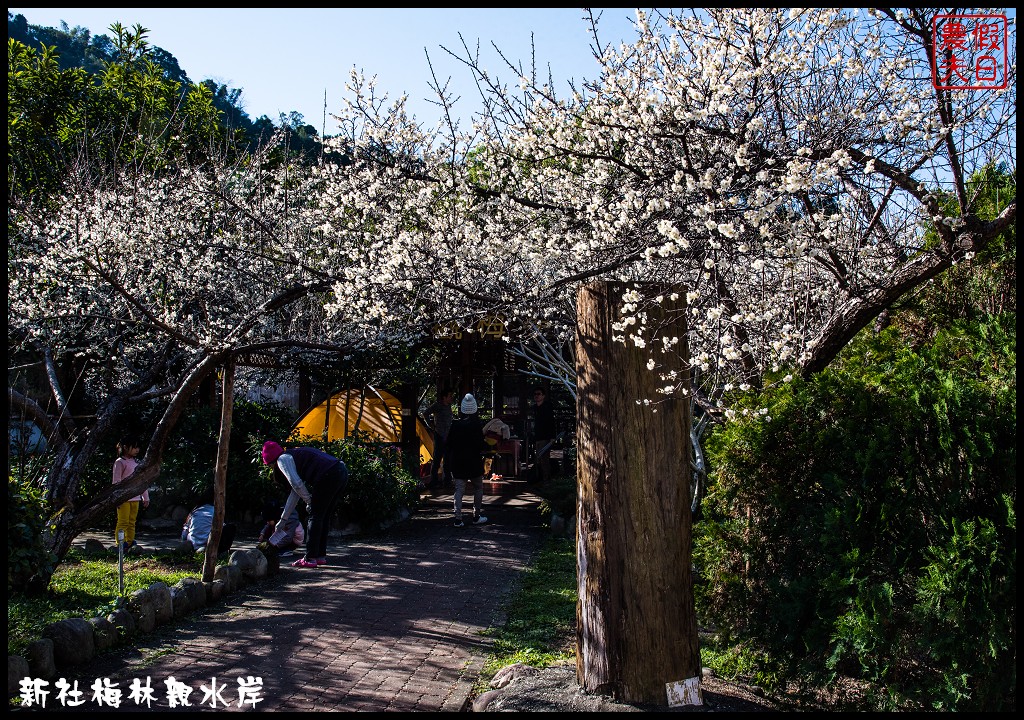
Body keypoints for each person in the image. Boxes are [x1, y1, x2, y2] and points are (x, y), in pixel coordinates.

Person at [262, 441, 348, 569]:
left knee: (315, 517)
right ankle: (319, 556)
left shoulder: (283, 459)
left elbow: (296, 484)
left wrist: (309, 501)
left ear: (271, 462)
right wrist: (283, 520)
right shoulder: (294, 456)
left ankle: (310, 558)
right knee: (322, 516)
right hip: (341, 471)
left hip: (328, 474)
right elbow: (295, 492)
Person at [444, 393, 489, 527]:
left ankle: (458, 519)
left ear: (461, 409)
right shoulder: (476, 425)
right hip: (474, 462)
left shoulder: (455, 425)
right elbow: (481, 445)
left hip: (458, 462)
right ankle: (476, 516)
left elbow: (449, 444)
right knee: (478, 488)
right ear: (475, 408)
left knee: (459, 490)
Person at [112, 437, 149, 554]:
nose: (137, 450)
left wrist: (145, 496)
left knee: (132, 521)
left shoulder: (137, 463)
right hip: (124, 498)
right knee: (123, 521)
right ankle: (120, 543)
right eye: (134, 447)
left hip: (135, 497)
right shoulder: (120, 462)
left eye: (138, 447)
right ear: (126, 447)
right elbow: (116, 481)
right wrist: (117, 497)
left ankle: (130, 541)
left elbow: (142, 481)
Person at [423, 388, 455, 489]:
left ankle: (447, 481)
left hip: (448, 435)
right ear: (444, 397)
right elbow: (425, 413)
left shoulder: (448, 406)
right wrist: (431, 426)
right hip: (440, 435)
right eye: (449, 396)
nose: (451, 398)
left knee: (447, 459)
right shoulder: (438, 405)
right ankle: (434, 481)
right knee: (437, 458)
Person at [531, 387, 556, 483]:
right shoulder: (534, 408)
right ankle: (541, 478)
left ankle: (546, 479)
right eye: (535, 394)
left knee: (544, 459)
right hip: (537, 436)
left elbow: (551, 422)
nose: (536, 396)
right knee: (539, 459)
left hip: (545, 437)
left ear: (543, 396)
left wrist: (552, 437)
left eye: (538, 394)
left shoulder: (547, 407)